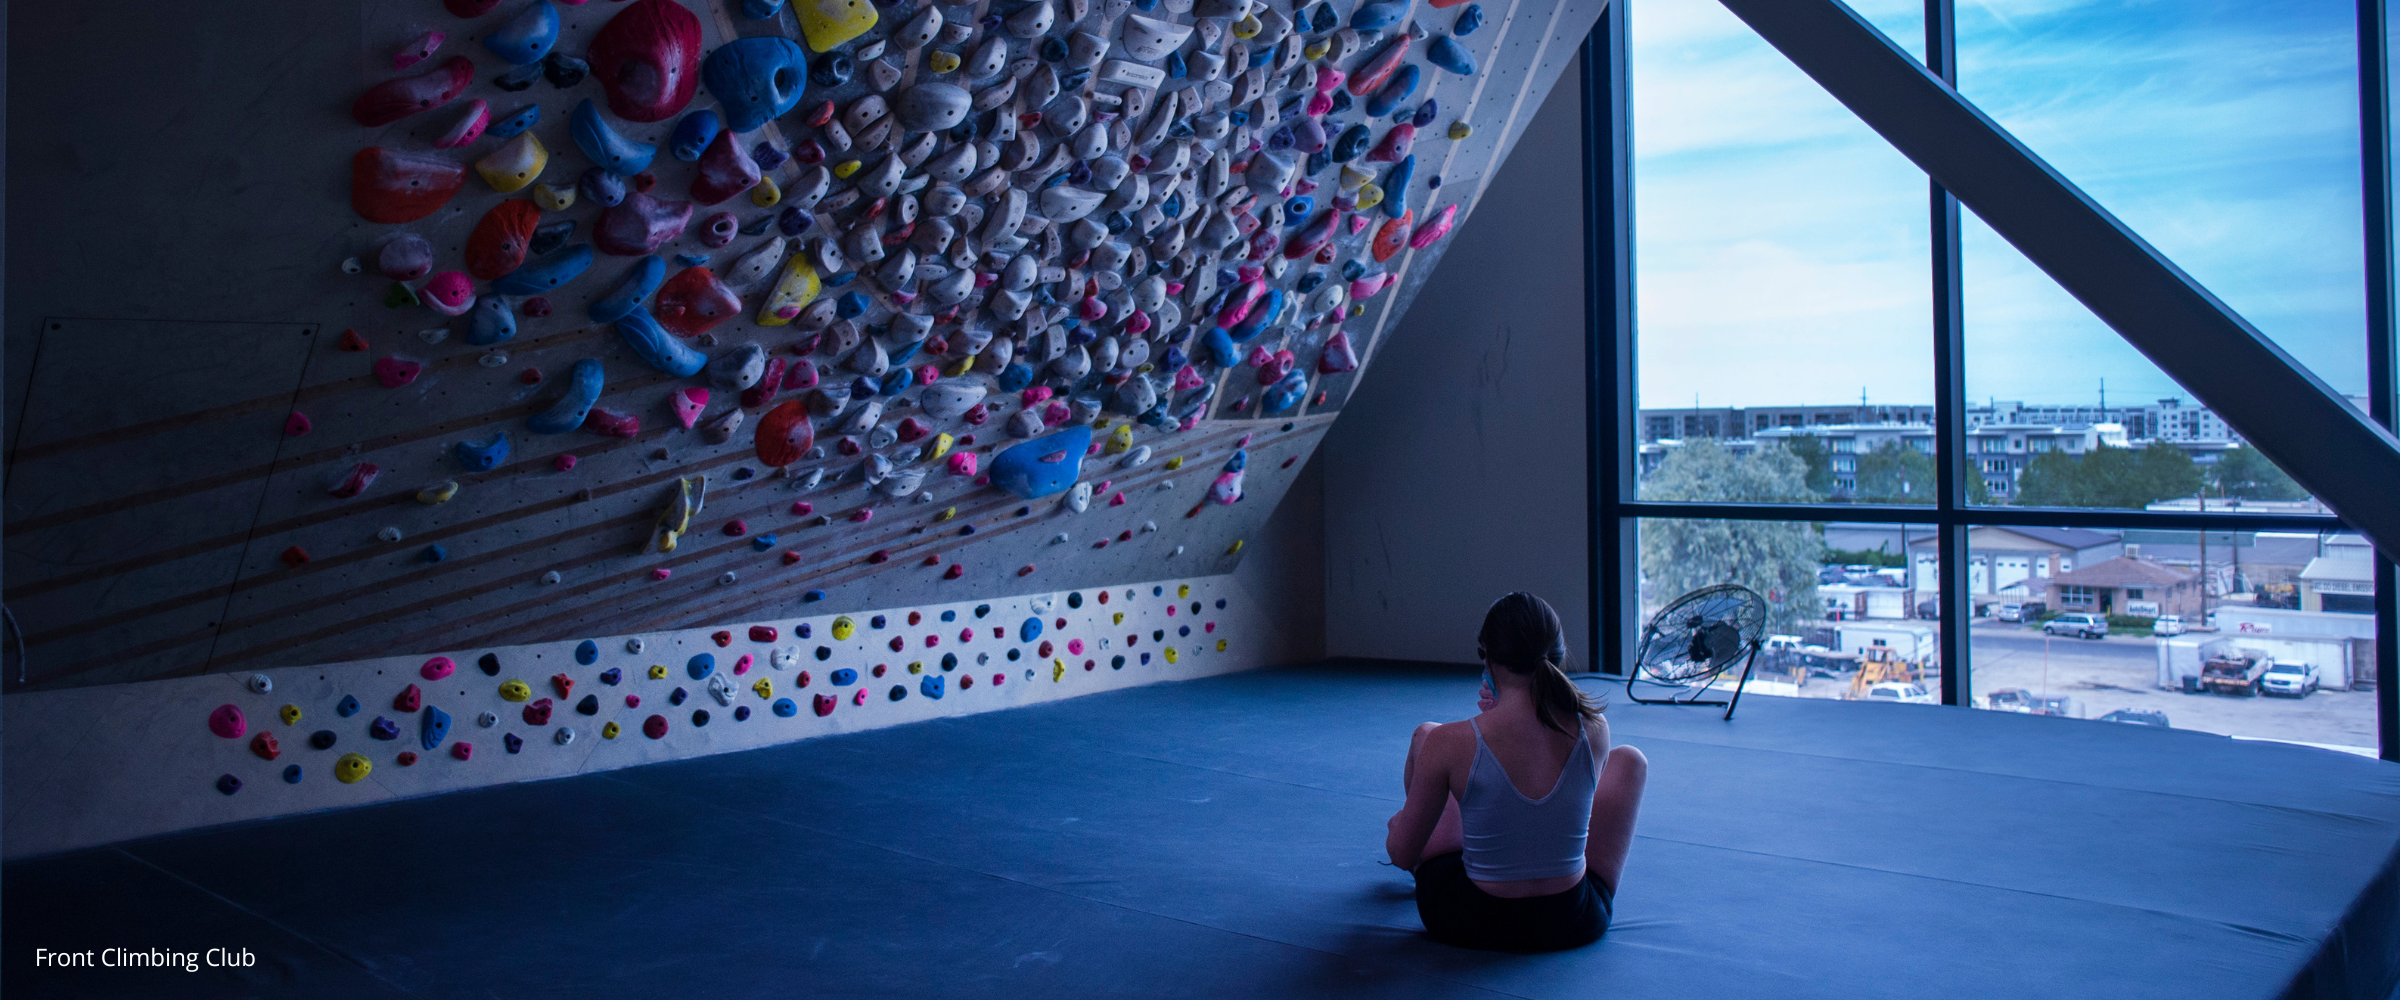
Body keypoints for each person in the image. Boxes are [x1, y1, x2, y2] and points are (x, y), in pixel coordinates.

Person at [1384, 593, 1649, 951]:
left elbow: (1400, 855)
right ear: (1556, 654)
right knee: (1630, 760)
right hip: (1574, 922)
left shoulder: (1450, 741)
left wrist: (1400, 826)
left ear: (1488, 658)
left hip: (1468, 921)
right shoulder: (1595, 727)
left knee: (1427, 735)